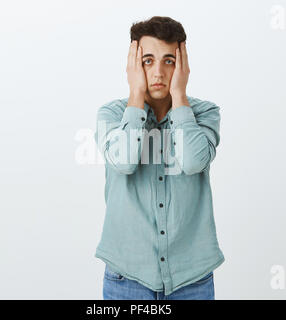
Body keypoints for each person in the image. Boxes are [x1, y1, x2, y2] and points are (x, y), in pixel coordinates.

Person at [94, 16, 225, 300]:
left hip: (192, 279)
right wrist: (135, 94)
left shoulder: (205, 114)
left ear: (182, 65)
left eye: (169, 61)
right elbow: (125, 161)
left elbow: (193, 161)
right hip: (126, 278)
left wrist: (179, 95)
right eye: (147, 60)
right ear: (133, 65)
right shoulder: (113, 115)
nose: (158, 73)